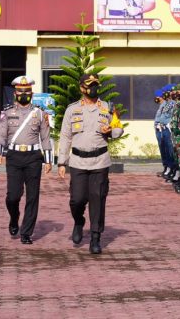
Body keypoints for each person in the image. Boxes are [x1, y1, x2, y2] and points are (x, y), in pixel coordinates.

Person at [58, 73, 124, 254]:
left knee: (98, 199)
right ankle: (79, 221)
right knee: (77, 199)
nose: (94, 87)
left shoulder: (108, 108)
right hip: (78, 162)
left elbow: (119, 128)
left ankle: (96, 237)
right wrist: (61, 162)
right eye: (90, 85)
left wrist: (111, 131)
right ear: (81, 88)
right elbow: (65, 136)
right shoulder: (72, 110)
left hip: (100, 162)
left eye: (96, 84)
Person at [0, 76, 53, 245]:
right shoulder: (6, 113)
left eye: (27, 91)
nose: (24, 94)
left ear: (32, 94)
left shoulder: (40, 114)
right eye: (21, 92)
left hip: (33, 158)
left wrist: (48, 161)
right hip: (14, 157)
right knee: (13, 196)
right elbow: (1, 135)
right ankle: (14, 218)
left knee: (32, 196)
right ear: (15, 93)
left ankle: (26, 232)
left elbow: (46, 138)